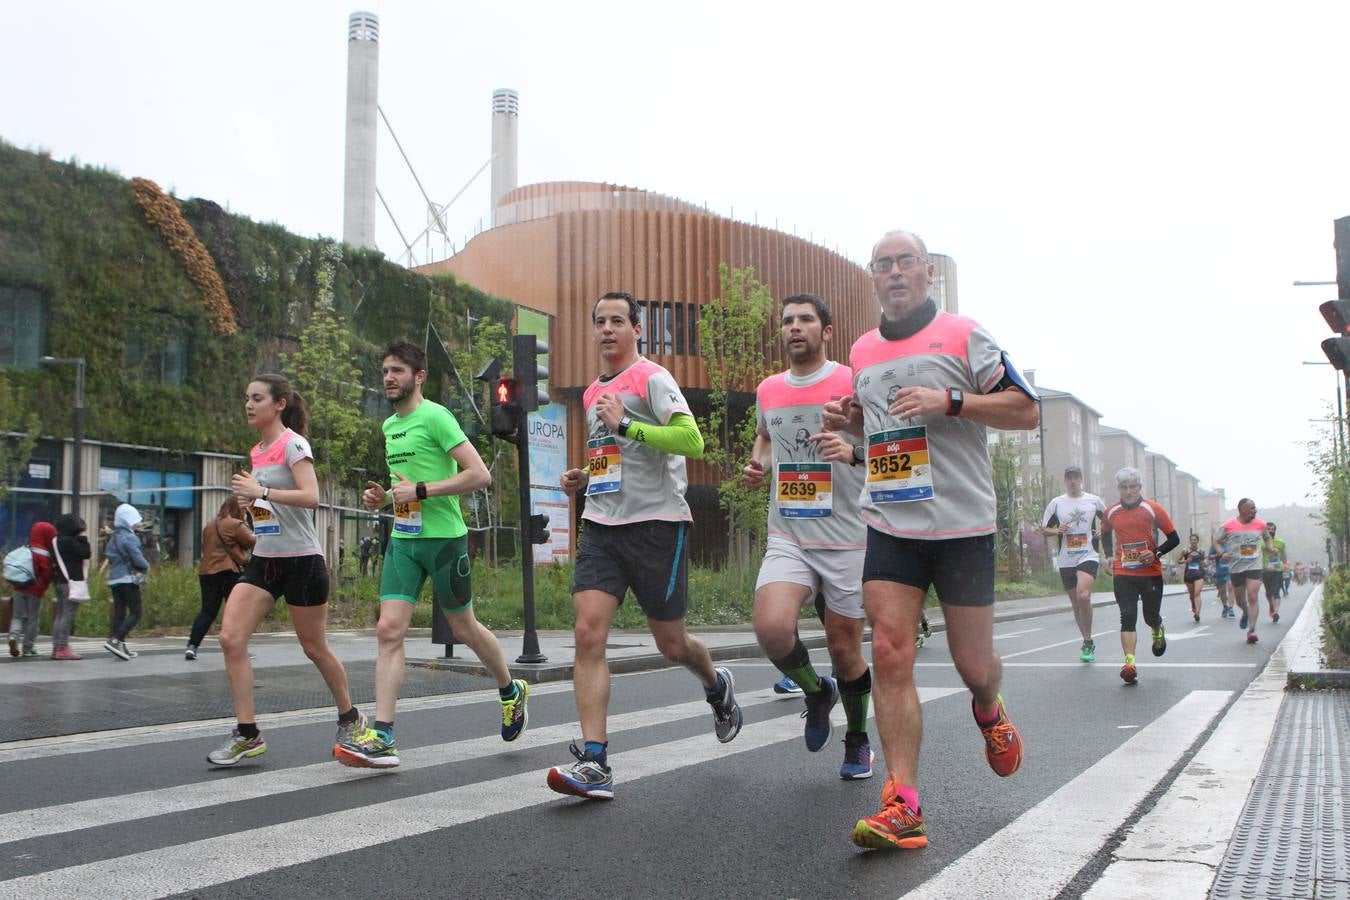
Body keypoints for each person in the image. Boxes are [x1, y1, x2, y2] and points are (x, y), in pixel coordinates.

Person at [825, 230, 1038, 851]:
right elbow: (880, 422)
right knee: (890, 650)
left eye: (905, 262)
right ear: (874, 277)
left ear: (926, 274)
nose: (894, 273)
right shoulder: (862, 353)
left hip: (963, 526)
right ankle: (902, 802)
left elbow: (1024, 410)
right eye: (883, 264)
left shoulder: (965, 334)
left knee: (975, 667)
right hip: (890, 520)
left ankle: (989, 709)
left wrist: (950, 400)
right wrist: (854, 420)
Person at [547, 291, 742, 801]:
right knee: (588, 634)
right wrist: (584, 477)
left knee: (672, 644)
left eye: (617, 320)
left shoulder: (653, 378)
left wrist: (627, 422)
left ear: (637, 329)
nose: (607, 329)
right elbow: (612, 455)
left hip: (657, 525)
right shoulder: (593, 393)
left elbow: (692, 442)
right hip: (602, 527)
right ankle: (595, 761)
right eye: (599, 322)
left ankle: (716, 683)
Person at [336, 341, 528, 768]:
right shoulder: (389, 427)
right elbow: (404, 488)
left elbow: (480, 476)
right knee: (389, 630)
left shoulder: (436, 417)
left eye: (398, 371)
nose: (389, 377)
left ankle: (510, 689)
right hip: (404, 539)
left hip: (444, 540)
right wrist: (383, 497)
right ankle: (383, 735)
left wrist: (421, 491)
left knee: (465, 629)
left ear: (418, 376)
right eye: (385, 370)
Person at [743, 294, 873, 780]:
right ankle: (817, 692)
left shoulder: (848, 381)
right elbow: (766, 438)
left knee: (845, 649)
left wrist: (852, 444)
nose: (795, 327)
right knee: (772, 628)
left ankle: (858, 738)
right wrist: (760, 465)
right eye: (787, 321)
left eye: (805, 320)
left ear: (827, 330)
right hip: (790, 532)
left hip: (847, 536)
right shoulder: (769, 389)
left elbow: (879, 436)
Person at [207, 374, 366, 767]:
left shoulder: (293, 444)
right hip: (266, 559)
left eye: (257, 398)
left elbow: (311, 497)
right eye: (246, 397)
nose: (249, 404)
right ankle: (247, 734)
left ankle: (350, 717)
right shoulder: (257, 451)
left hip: (302, 561)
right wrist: (254, 508)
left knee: (314, 647)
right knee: (230, 637)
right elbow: (269, 508)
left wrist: (261, 493)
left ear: (278, 404)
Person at [1100, 467, 1180, 685]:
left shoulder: (1153, 509)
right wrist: (1108, 557)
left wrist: (1155, 553)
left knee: (1150, 616)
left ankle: (1157, 628)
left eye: (1132, 487)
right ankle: (1130, 663)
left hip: (1150, 574)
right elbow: (1105, 533)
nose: (1128, 492)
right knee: (1127, 617)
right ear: (1119, 489)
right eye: (1124, 488)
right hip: (1123, 573)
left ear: (1139, 488)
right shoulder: (1111, 511)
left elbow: (1174, 538)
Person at [1040, 465, 1107, 660]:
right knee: (1076, 603)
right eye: (1069, 478)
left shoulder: (1093, 500)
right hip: (1066, 557)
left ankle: (1087, 641)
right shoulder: (1056, 503)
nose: (1073, 481)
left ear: (1081, 479)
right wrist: (1056, 530)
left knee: (1084, 595)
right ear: (1065, 481)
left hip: (1088, 554)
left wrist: (1103, 530)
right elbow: (1043, 529)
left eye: (1076, 477)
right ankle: (1087, 641)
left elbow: (1110, 520)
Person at [187, 498, 255, 660]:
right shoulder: (235, 524)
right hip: (229, 572)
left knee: (207, 612)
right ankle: (238, 649)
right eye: (244, 510)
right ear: (238, 509)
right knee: (236, 612)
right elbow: (252, 541)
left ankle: (192, 646)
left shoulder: (209, 526)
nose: (245, 512)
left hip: (207, 573)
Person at [1212, 499, 1274, 645]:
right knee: (1240, 600)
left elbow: (1267, 537)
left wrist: (1270, 547)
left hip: (1254, 565)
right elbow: (1216, 540)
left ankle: (1252, 630)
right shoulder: (1228, 526)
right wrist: (1221, 552)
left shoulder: (1261, 524)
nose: (1255, 510)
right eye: (1252, 508)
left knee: (1252, 595)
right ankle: (1245, 612)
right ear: (1242, 509)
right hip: (1236, 567)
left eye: (1255, 507)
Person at [104, 503, 149, 660]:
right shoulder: (130, 538)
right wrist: (146, 566)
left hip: (114, 579)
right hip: (128, 580)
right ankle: (116, 640)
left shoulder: (113, 537)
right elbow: (139, 560)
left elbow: (109, 556)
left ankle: (120, 646)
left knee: (119, 613)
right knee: (136, 612)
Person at [7, 521, 56, 658]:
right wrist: (46, 583)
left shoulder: (25, 549)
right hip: (35, 591)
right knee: (33, 619)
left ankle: (13, 637)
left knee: (17, 616)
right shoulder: (43, 554)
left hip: (18, 588)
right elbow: (47, 574)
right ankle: (28, 648)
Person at [51, 514, 91, 660]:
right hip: (71, 582)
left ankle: (57, 647)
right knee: (68, 615)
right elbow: (86, 553)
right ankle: (62, 647)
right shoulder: (70, 542)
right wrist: (83, 539)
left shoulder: (55, 541)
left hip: (59, 581)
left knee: (60, 614)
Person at [1261, 522, 1288, 623]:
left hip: (1278, 570)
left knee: (1276, 591)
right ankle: (1271, 606)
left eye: (1272, 529)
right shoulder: (1261, 542)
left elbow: (1284, 555)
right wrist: (1265, 566)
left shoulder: (1280, 542)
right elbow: (1258, 556)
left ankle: (1275, 612)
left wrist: (1285, 564)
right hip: (1265, 570)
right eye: (1268, 529)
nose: (1271, 531)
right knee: (1269, 592)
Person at [1179, 534, 1207, 622]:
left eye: (1195, 539)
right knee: (1192, 595)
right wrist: (1185, 561)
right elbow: (1179, 560)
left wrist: (1205, 563)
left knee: (1197, 593)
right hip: (1189, 575)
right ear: (1190, 541)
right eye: (1192, 539)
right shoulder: (1185, 551)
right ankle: (1194, 605)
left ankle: (1197, 613)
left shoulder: (1201, 551)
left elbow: (1205, 560)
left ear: (1197, 541)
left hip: (1199, 574)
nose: (1193, 541)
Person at [1207, 543, 1235, 618]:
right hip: (1220, 571)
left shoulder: (1231, 541)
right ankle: (1225, 607)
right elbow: (1209, 557)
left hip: (1230, 570)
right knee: (1222, 591)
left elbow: (1237, 554)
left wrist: (1231, 556)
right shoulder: (1215, 545)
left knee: (1230, 586)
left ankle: (1231, 608)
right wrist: (1218, 555)